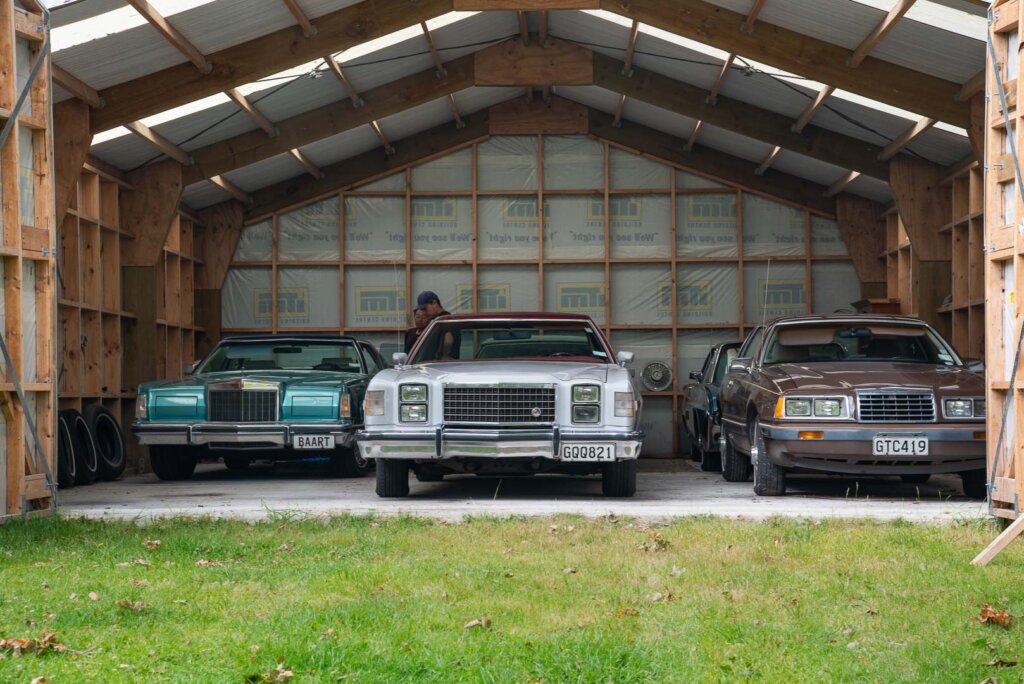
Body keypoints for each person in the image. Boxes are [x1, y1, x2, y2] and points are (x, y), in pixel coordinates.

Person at [414, 291, 459, 359]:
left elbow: (448, 341)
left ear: (434, 303)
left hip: (441, 365)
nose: (423, 312)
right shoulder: (441, 320)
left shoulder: (443, 321)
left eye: (425, 309)